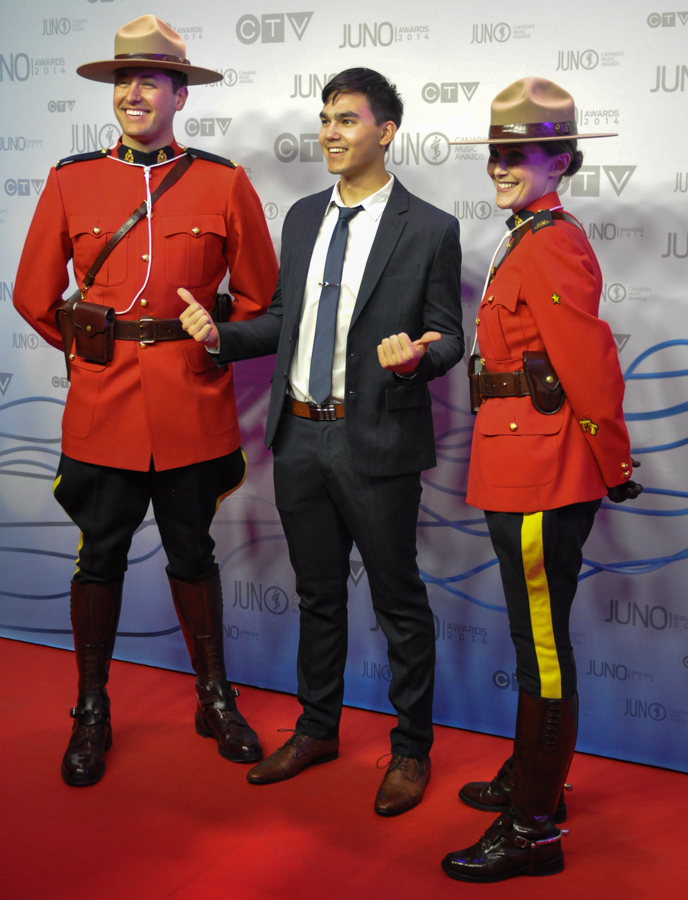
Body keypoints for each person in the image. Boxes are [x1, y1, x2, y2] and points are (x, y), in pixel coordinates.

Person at [180, 67, 463, 815]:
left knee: (400, 602)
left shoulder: (431, 226)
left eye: (347, 120)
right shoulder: (303, 216)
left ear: (387, 131)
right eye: (325, 119)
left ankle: (410, 750)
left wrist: (420, 356)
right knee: (318, 596)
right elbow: (281, 320)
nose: (330, 133)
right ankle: (316, 729)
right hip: (300, 439)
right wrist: (221, 337)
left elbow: (450, 334)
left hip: (378, 441)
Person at [13, 15, 278, 787]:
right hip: (104, 408)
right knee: (99, 559)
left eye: (150, 79)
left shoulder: (224, 182)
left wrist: (211, 329)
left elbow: (262, 300)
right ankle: (90, 709)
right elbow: (34, 297)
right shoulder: (71, 180)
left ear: (179, 93)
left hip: (193, 404)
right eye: (123, 80)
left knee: (193, 552)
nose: (133, 92)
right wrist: (90, 352)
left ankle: (214, 697)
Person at [441, 77, 642, 882]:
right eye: (496, 152)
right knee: (535, 639)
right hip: (516, 455)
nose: (502, 166)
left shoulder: (552, 238)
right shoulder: (524, 232)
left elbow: (588, 363)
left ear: (561, 158)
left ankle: (533, 830)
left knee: (543, 650)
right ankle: (537, 785)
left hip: (545, 466)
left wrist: (613, 461)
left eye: (519, 154)